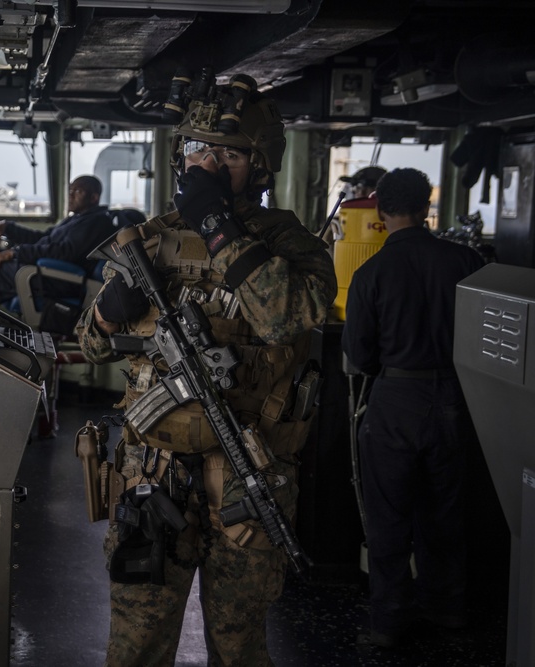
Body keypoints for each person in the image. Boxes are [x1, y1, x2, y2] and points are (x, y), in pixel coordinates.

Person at [75, 73, 337, 666]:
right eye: (200, 150)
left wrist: (220, 225)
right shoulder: (151, 241)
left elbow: (284, 318)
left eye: (231, 154)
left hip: (247, 477)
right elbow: (90, 348)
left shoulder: (293, 245)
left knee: (239, 644)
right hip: (154, 473)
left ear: (261, 163)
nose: (212, 164)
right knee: (136, 643)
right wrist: (109, 315)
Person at [341, 168, 485, 649]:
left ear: (380, 212)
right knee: (445, 511)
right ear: (427, 207)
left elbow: (359, 357)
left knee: (389, 515)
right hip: (454, 399)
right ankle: (448, 610)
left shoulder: (371, 272)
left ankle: (388, 619)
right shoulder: (466, 261)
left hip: (395, 401)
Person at [0, 175, 115, 308]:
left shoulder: (97, 222)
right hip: (44, 269)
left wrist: (15, 253)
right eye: (70, 190)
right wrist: (8, 227)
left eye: (77, 192)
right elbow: (43, 238)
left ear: (94, 198)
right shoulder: (77, 218)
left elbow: (64, 252)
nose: (70, 195)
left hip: (58, 277)